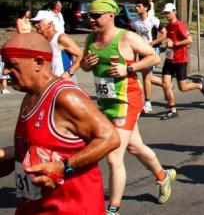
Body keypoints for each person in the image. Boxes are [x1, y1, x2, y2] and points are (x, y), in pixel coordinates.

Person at [0, 32, 120, 215]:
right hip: (36, 208)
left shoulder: (65, 96)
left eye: (12, 65)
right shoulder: (30, 96)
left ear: (38, 62)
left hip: (73, 209)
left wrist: (63, 167)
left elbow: (110, 138)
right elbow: (35, 147)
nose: (5, 72)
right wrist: (6, 157)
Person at [81, 0, 176, 214]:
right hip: (106, 102)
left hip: (126, 101)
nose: (91, 20)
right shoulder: (90, 38)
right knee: (135, 147)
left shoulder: (127, 37)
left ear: (110, 16)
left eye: (96, 16)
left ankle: (113, 209)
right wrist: (85, 64)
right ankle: (163, 176)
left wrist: (129, 68)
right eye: (89, 16)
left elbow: (153, 58)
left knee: (114, 156)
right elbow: (86, 67)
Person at [160, 3, 204, 119]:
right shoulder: (168, 26)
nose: (167, 15)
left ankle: (199, 85)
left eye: (168, 12)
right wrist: (165, 47)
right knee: (165, 84)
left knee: (182, 88)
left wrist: (174, 44)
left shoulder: (179, 25)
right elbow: (170, 40)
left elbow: (189, 40)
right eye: (165, 13)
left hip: (180, 59)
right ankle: (173, 110)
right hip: (169, 59)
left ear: (174, 11)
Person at [131, 0, 166, 113]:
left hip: (152, 51)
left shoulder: (153, 20)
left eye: (139, 6)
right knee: (148, 77)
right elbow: (131, 35)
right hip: (141, 51)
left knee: (146, 76)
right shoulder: (134, 22)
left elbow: (164, 34)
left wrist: (153, 43)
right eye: (136, 6)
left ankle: (147, 103)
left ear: (146, 8)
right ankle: (166, 84)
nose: (136, 8)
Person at [31, 10, 83, 82]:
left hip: (65, 81)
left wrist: (69, 73)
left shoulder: (61, 38)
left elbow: (81, 55)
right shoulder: (43, 40)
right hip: (51, 82)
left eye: (38, 22)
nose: (35, 25)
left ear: (50, 24)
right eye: (34, 23)